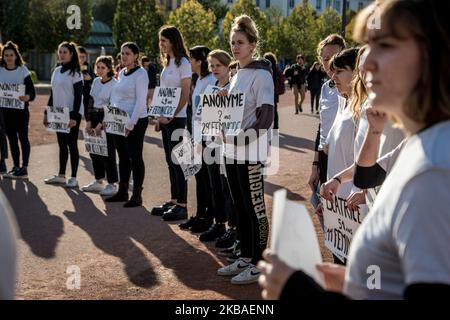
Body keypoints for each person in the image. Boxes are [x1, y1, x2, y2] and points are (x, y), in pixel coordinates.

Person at [258, 0, 450, 300]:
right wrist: (357, 284)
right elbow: (365, 175)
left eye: (386, 45)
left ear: (435, 55)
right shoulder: (425, 145)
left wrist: (298, 291)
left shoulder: (435, 168)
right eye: (368, 45)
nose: (367, 62)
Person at [216, 15, 274, 285]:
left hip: (250, 153)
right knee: (240, 206)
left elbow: (265, 118)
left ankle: (260, 262)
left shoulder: (262, 74)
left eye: (240, 42)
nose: (235, 47)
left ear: (252, 44)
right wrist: (223, 101)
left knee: (255, 208)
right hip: (232, 152)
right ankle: (248, 255)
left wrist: (240, 140)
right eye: (232, 42)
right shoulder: (237, 74)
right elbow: (235, 111)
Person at [151, 26, 192, 221]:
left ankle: (182, 205)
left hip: (178, 118)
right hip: (166, 119)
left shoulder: (183, 62)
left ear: (174, 41)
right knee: (170, 161)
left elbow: (185, 94)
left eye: (164, 40)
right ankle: (174, 200)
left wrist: (171, 116)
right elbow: (163, 95)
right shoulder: (167, 63)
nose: (161, 44)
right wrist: (160, 117)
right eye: (160, 41)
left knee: (178, 162)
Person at [105, 42, 149, 207]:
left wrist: (131, 124)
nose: (124, 56)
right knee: (123, 157)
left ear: (136, 56)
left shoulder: (141, 74)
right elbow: (116, 98)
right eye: (122, 53)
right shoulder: (121, 72)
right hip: (118, 121)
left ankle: (137, 195)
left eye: (128, 53)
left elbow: (140, 101)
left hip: (135, 121)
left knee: (135, 157)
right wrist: (110, 116)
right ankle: (123, 191)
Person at [308, 34, 346, 192]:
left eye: (335, 57)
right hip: (325, 156)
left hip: (346, 157)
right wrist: (315, 165)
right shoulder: (325, 88)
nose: (330, 63)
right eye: (325, 58)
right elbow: (322, 128)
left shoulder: (357, 87)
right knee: (327, 208)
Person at [43, 41, 83, 188]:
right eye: (60, 52)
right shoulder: (56, 71)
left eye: (65, 52)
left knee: (72, 145)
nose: (61, 54)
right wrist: (46, 113)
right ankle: (61, 175)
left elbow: (79, 96)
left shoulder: (76, 73)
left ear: (71, 54)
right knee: (61, 145)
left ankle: (73, 177)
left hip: (72, 114)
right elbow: (53, 94)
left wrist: (73, 117)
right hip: (58, 113)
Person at [81, 56, 119, 196]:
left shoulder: (114, 84)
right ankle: (98, 181)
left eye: (103, 67)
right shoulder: (96, 81)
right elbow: (91, 101)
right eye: (98, 67)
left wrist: (101, 125)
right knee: (94, 150)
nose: (100, 70)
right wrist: (89, 121)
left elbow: (112, 106)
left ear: (109, 68)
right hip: (94, 116)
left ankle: (112, 183)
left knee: (108, 152)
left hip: (106, 119)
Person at [0, 41, 36, 179]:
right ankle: (15, 167)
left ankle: (24, 168)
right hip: (6, 111)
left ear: (16, 56)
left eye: (11, 55)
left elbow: (32, 92)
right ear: (3, 56)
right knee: (12, 139)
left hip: (21, 112)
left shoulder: (23, 70)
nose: (8, 57)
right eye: (6, 55)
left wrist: (27, 97)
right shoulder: (0, 70)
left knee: (23, 138)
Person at [263, 52, 282, 130]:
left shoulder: (264, 68)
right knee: (274, 110)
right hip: (274, 91)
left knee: (264, 110)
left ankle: (266, 127)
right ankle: (275, 128)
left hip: (266, 91)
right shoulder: (276, 68)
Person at [78, 46, 95, 118]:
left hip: (86, 92)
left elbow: (93, 77)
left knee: (86, 111)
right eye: (80, 56)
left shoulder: (88, 65)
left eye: (84, 57)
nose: (82, 59)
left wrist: (89, 78)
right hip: (76, 91)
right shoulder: (73, 66)